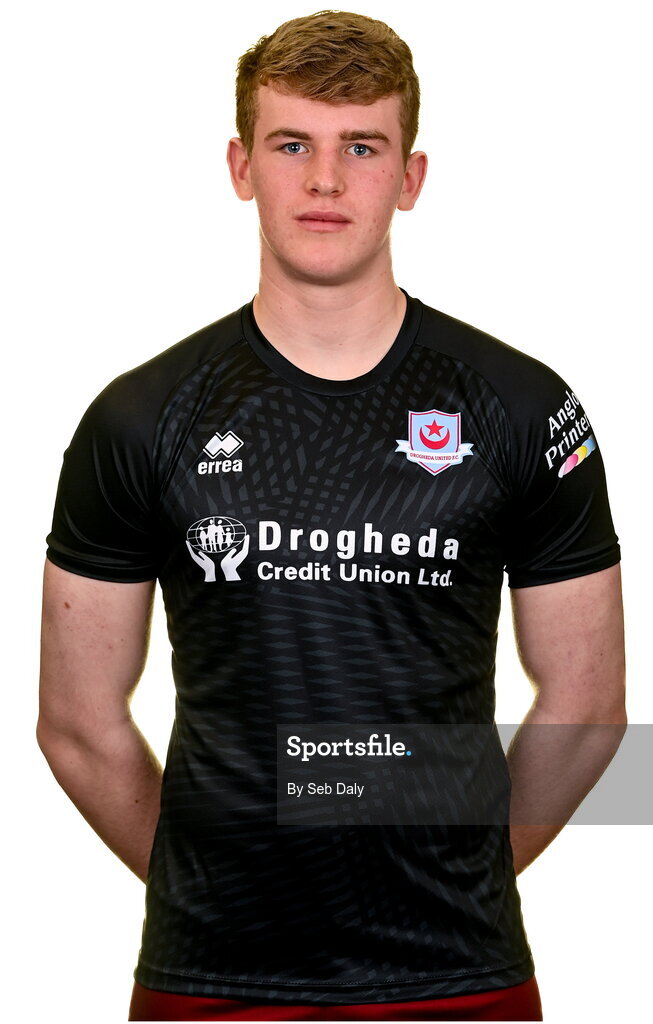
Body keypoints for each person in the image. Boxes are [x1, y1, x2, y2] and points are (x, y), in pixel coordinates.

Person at [37, 10, 626, 1022]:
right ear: (239, 165)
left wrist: (457, 866)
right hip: (209, 981)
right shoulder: (136, 417)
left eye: (360, 147)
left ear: (409, 177)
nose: (323, 181)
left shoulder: (527, 407)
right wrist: (214, 881)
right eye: (290, 144)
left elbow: (588, 708)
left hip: (459, 976)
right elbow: (77, 724)